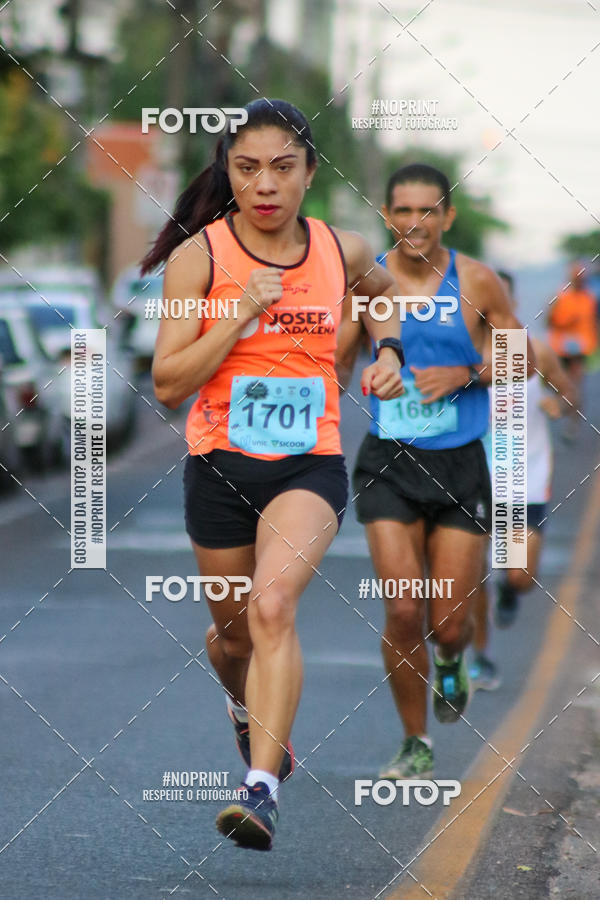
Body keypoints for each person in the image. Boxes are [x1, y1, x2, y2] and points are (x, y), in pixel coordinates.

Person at [141, 99, 405, 851]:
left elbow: (381, 298)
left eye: (283, 168)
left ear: (310, 173)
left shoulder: (339, 248)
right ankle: (247, 711)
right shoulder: (203, 257)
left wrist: (390, 355)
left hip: (308, 465)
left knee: (273, 606)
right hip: (219, 468)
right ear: (228, 171)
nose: (265, 185)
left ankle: (260, 790)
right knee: (231, 643)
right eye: (248, 168)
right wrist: (237, 314)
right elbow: (167, 381)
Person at [336, 164, 534, 779]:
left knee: (448, 624)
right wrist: (359, 369)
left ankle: (452, 660)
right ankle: (414, 742)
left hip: (461, 464)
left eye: (427, 211)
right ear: (386, 215)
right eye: (401, 211)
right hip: (388, 462)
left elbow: (522, 360)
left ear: (447, 216)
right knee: (402, 611)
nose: (413, 223)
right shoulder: (370, 283)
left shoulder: (475, 281)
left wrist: (467, 375)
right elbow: (336, 361)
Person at [476, 272, 576, 647]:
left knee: (520, 576)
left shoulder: (537, 351)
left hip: (524, 479)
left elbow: (569, 396)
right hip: (471, 477)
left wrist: (560, 404)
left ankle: (508, 589)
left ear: (511, 305)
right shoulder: (462, 356)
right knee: (469, 574)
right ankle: (478, 655)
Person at [547, 261, 597, 440]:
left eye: (582, 277)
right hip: (561, 349)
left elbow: (595, 322)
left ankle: (572, 424)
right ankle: (562, 409)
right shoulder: (560, 295)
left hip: (580, 350)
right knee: (563, 385)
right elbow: (549, 319)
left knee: (575, 387)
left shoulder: (590, 297)